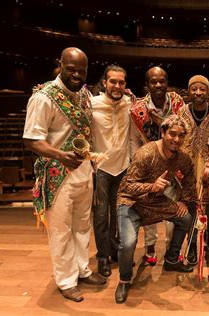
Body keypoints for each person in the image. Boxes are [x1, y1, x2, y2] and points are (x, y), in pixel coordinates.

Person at [23, 47, 106, 303]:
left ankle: (82, 270)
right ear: (60, 65)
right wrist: (60, 155)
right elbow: (32, 140)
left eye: (82, 71)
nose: (77, 75)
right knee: (60, 231)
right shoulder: (44, 97)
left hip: (83, 173)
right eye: (71, 70)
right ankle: (66, 281)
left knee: (82, 226)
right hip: (58, 175)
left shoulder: (84, 93)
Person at [115, 115, 196, 304]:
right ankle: (124, 279)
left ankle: (172, 259)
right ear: (163, 132)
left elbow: (190, 178)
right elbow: (127, 186)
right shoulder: (146, 154)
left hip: (157, 202)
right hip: (132, 203)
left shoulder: (182, 158)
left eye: (181, 136)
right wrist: (151, 186)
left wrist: (183, 201)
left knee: (185, 218)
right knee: (127, 244)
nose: (176, 139)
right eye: (172, 134)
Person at [129, 66, 185, 265]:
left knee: (172, 205)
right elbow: (134, 139)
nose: (158, 85)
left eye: (162, 81)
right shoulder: (138, 109)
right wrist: (140, 161)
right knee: (148, 207)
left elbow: (183, 132)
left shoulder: (178, 103)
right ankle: (150, 247)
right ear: (147, 85)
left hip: (173, 163)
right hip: (148, 164)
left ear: (167, 82)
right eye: (153, 81)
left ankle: (171, 248)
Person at [91, 65, 135, 277]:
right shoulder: (92, 104)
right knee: (101, 215)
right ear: (104, 83)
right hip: (100, 168)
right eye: (113, 82)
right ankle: (102, 256)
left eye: (121, 82)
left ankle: (117, 249)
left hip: (123, 167)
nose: (117, 86)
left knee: (119, 214)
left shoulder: (131, 104)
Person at [177, 75, 209, 264]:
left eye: (202, 89)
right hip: (189, 166)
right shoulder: (181, 112)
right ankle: (192, 242)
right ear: (189, 91)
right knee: (191, 205)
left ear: (208, 91)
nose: (198, 93)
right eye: (194, 88)